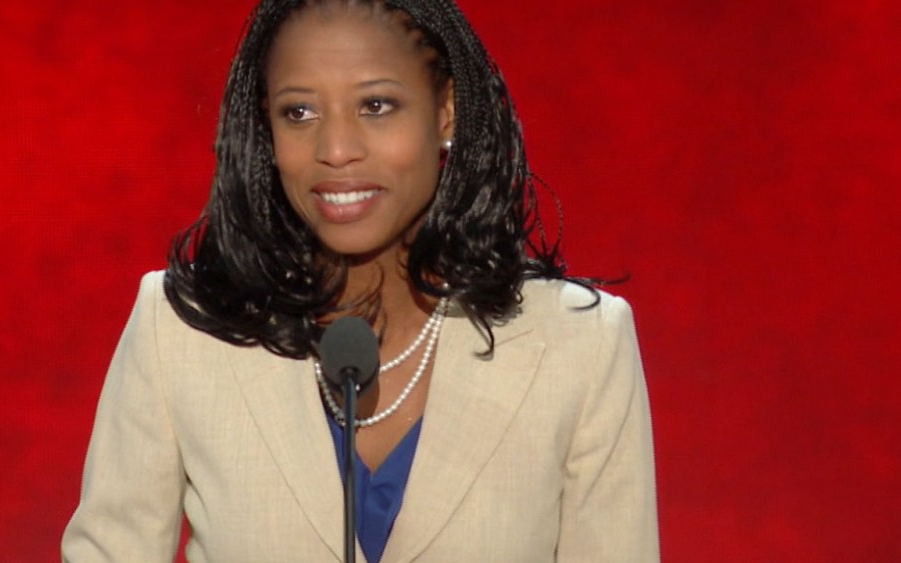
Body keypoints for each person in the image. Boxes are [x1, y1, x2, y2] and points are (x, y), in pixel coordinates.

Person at [62, 0, 659, 561]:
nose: (336, 149)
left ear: (446, 112)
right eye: (299, 112)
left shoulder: (581, 344)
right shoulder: (181, 330)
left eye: (376, 105)